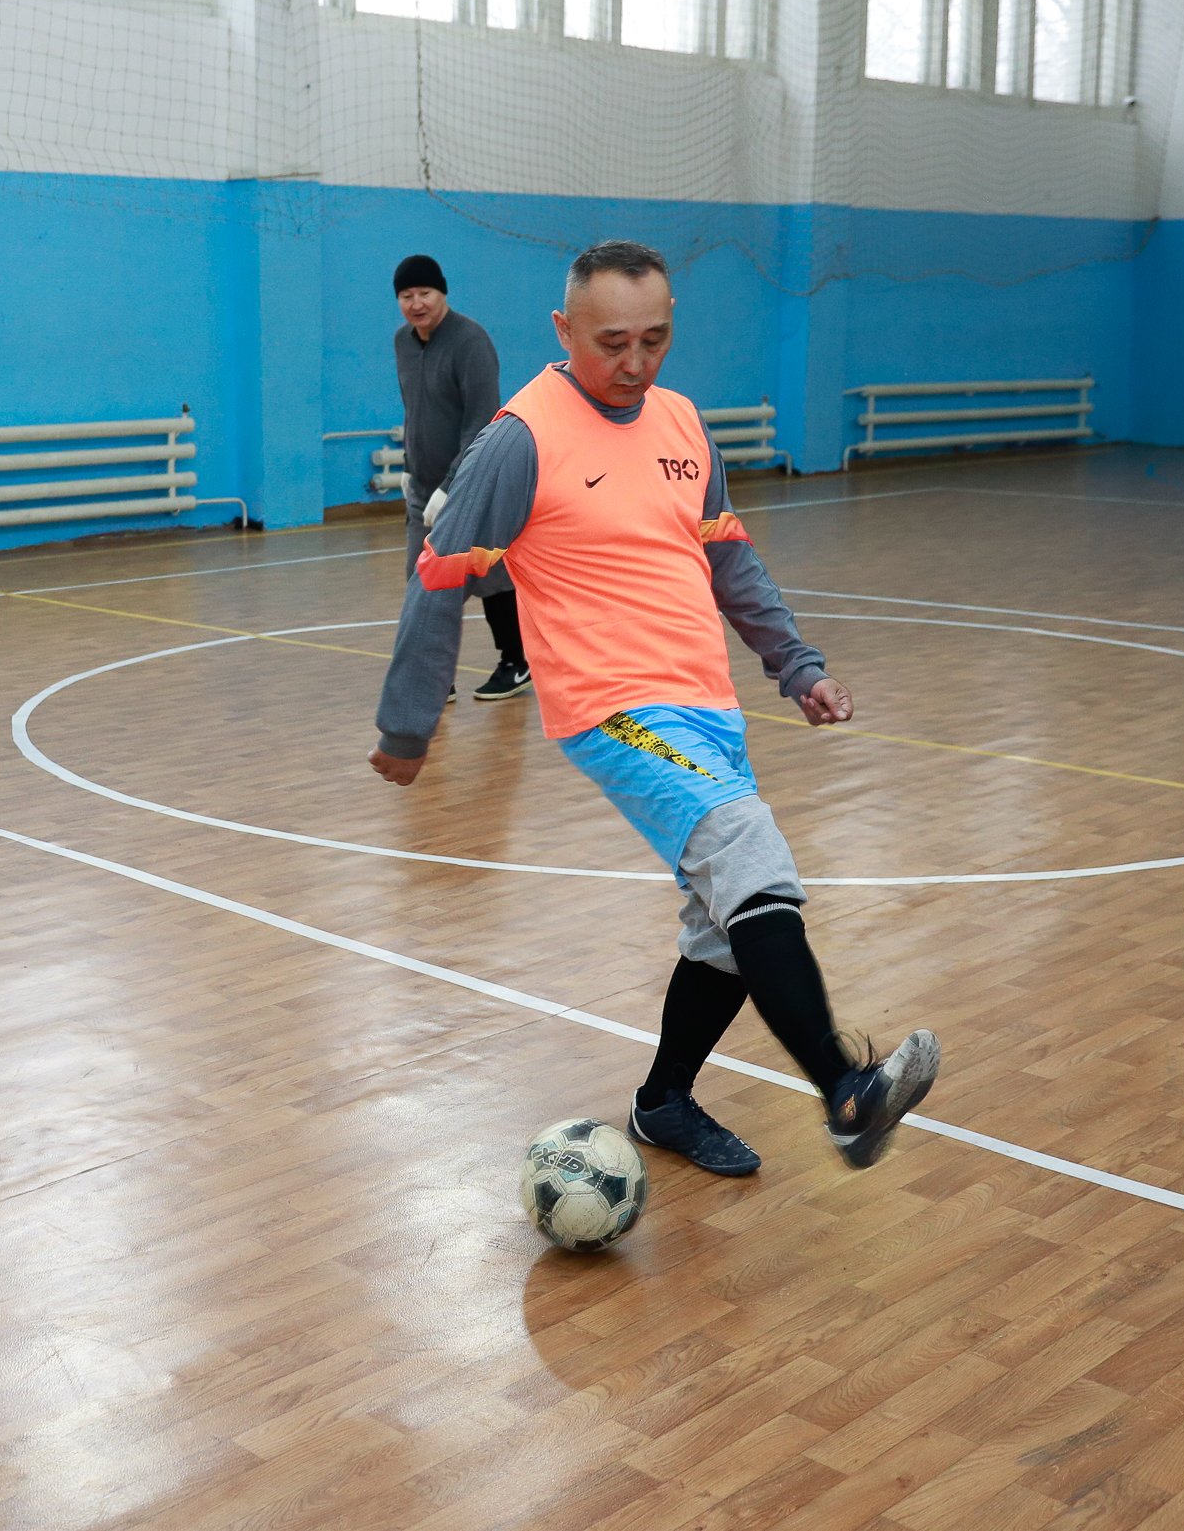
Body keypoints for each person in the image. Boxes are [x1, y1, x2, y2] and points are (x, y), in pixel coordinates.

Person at [368, 240, 939, 1178]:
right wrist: (408, 718)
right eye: (611, 344)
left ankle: (663, 1101)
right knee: (748, 856)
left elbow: (728, 557)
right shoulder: (521, 437)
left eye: (653, 340)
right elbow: (440, 573)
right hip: (611, 707)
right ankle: (845, 1093)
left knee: (725, 925)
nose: (634, 363)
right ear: (563, 329)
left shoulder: (679, 421)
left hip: (704, 702)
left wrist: (794, 665)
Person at [392, 254, 529, 701]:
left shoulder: (471, 342)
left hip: (472, 482)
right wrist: (409, 466)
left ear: (443, 293)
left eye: (425, 293)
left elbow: (482, 420)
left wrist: (452, 485)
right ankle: (434, 677)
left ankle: (516, 661)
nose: (417, 303)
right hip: (422, 486)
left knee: (488, 574)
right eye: (407, 296)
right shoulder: (403, 342)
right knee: (423, 578)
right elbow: (414, 410)